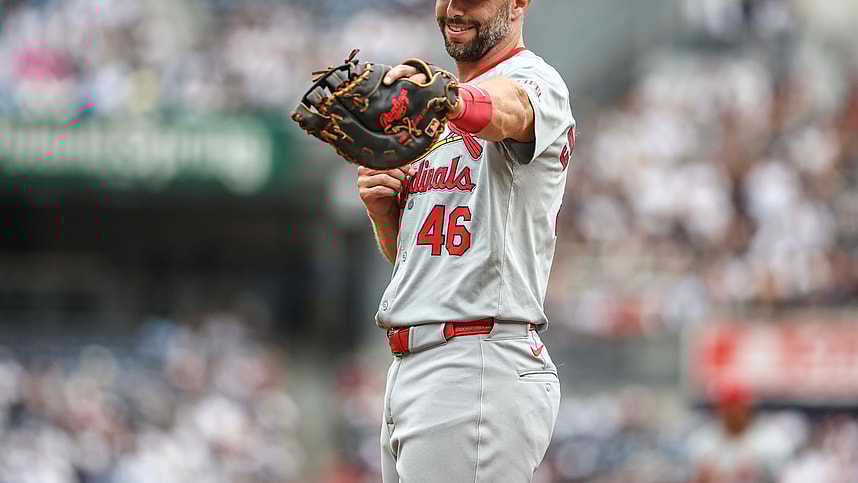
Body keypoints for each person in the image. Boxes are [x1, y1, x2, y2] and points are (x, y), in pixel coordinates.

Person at [355, 0, 576, 481]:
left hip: (477, 361)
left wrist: (448, 99)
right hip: (418, 364)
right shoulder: (435, 110)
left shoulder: (535, 80)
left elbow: (508, 110)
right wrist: (383, 212)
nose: (455, 8)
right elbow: (416, 258)